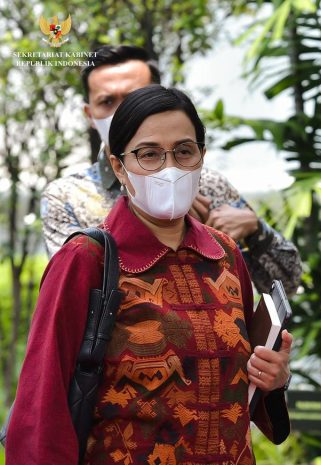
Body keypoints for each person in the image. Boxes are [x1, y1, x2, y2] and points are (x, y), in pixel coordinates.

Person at [7, 85, 293, 464]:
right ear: (118, 166)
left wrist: (274, 378)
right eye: (150, 154)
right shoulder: (85, 260)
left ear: (201, 157)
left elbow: (244, 395)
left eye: (184, 151)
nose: (169, 167)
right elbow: (42, 407)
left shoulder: (225, 254)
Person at [41, 44, 302, 296]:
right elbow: (72, 294)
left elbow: (287, 285)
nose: (123, 111)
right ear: (89, 114)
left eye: (135, 96)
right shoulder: (67, 197)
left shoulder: (207, 184)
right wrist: (171, 227)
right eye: (107, 101)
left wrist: (256, 232)